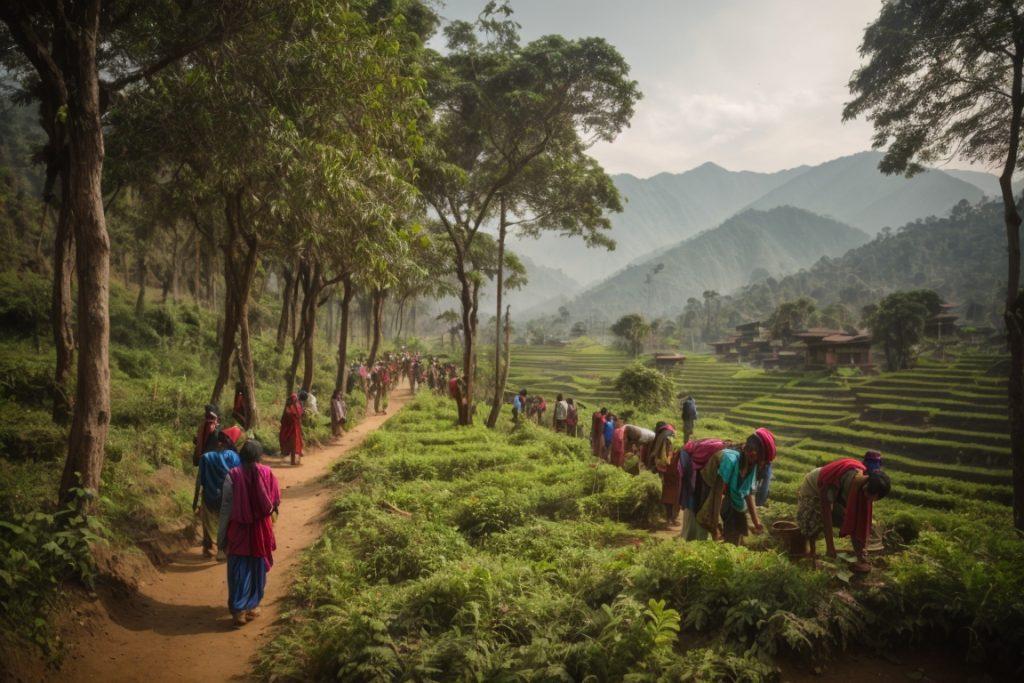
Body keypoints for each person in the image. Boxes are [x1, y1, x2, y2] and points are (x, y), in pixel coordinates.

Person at [218, 440, 281, 627]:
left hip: (238, 530)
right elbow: (275, 502)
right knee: (257, 567)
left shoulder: (232, 475)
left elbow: (226, 508)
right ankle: (253, 606)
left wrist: (221, 536)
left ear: (241, 456)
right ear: (259, 456)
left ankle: (239, 611)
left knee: (238, 569)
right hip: (261, 530)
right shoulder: (268, 473)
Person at [796, 454, 890, 573]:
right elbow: (826, 515)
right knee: (813, 519)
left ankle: (860, 557)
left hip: (837, 496)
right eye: (869, 497)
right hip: (815, 486)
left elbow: (858, 521)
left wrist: (861, 556)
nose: (869, 501)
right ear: (866, 487)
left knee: (844, 517)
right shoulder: (836, 481)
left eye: (873, 499)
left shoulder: (865, 487)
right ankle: (811, 553)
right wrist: (830, 548)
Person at [693, 428, 776, 545]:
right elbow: (717, 493)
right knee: (706, 524)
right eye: (762, 459)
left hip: (727, 492)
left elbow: (748, 493)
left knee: (737, 521)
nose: (762, 464)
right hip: (708, 486)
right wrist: (715, 524)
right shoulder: (729, 460)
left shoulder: (752, 465)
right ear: (751, 452)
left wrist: (756, 522)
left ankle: (731, 542)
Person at [193, 426, 242, 559]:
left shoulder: (206, 457)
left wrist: (195, 500)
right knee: (226, 521)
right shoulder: (234, 457)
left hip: (209, 495)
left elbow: (200, 481)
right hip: (228, 496)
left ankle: (209, 547)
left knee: (208, 522)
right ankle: (225, 548)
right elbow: (238, 478)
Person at [650, 422, 679, 525]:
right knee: (673, 494)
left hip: (666, 469)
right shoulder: (670, 436)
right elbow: (670, 454)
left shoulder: (662, 435)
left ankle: (669, 517)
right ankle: (671, 518)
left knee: (668, 493)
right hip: (672, 469)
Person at [279, 393, 304, 466]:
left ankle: (295, 460)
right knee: (293, 445)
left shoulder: (296, 405)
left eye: (295, 399)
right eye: (294, 399)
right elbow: (288, 418)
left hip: (295, 429)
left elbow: (299, 415)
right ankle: (292, 461)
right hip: (290, 430)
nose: (295, 401)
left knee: (296, 445)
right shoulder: (289, 408)